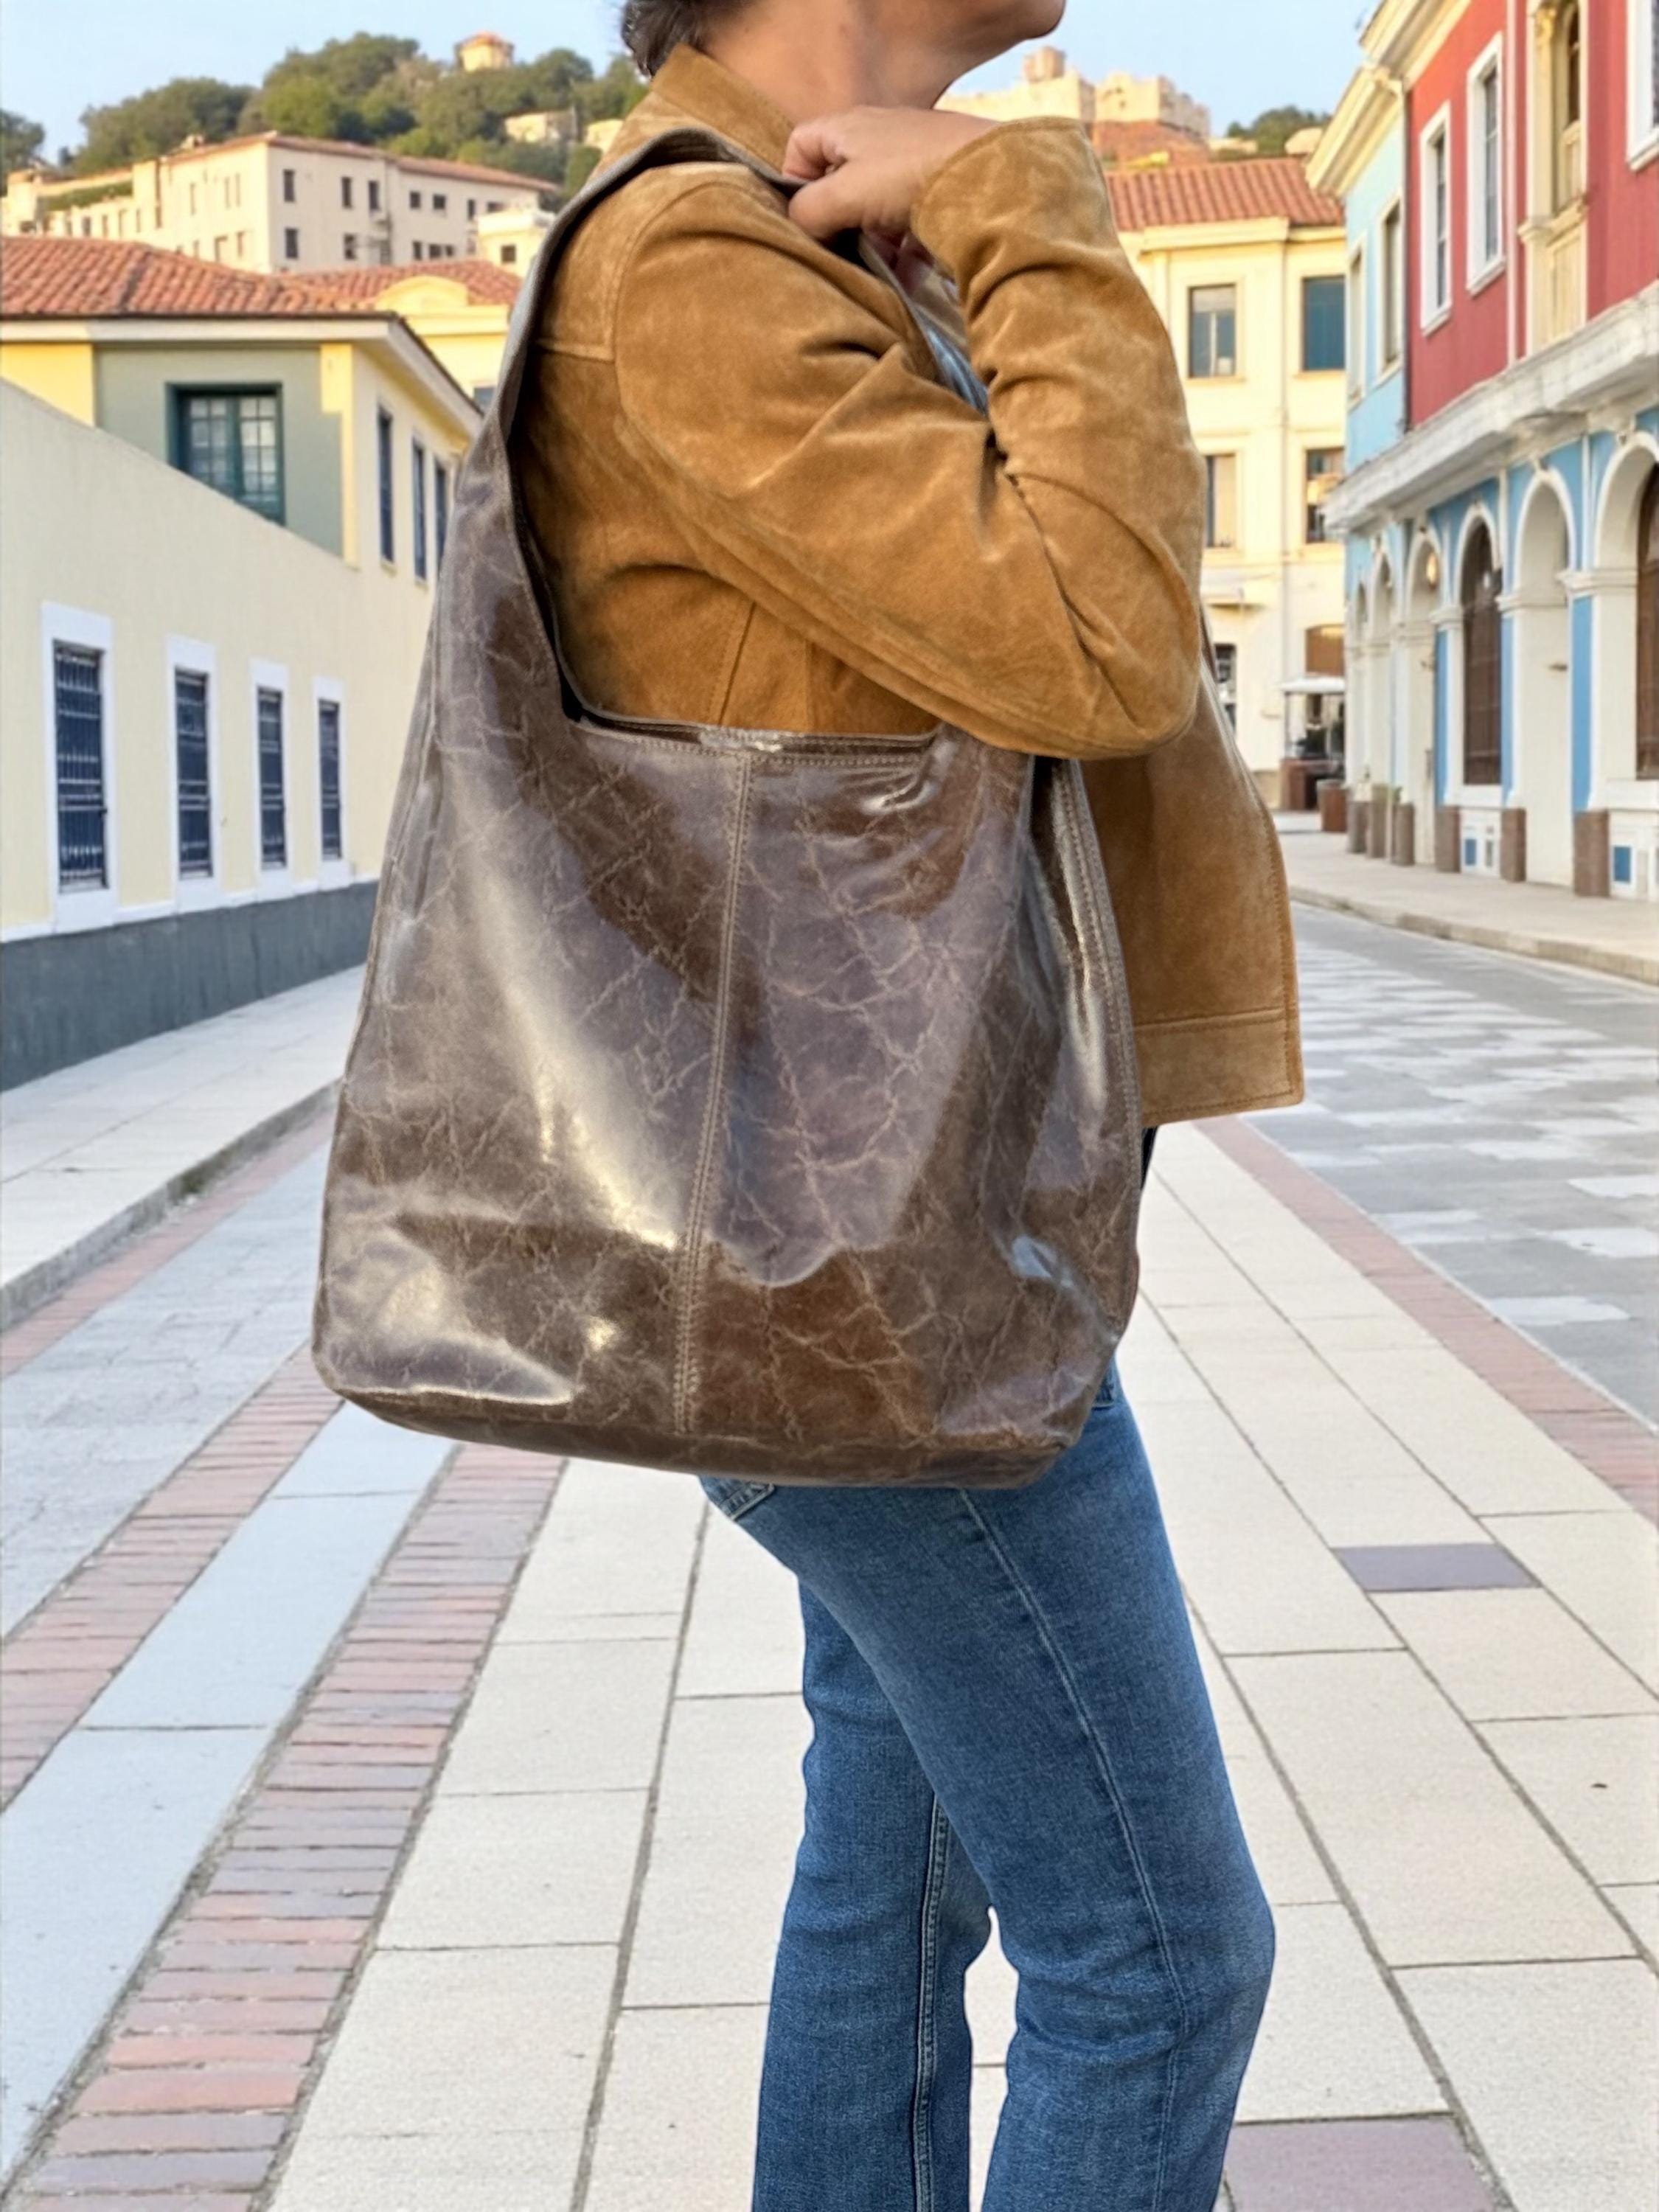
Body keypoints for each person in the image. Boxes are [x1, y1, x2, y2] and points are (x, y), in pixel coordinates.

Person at [514, 5, 1299, 2205]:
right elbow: (1099, 638)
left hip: (900, 1232)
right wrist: (1016, 198)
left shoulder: (795, 238)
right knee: (1157, 1955)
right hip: (871, 1275)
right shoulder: (696, 266)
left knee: (904, 1864)